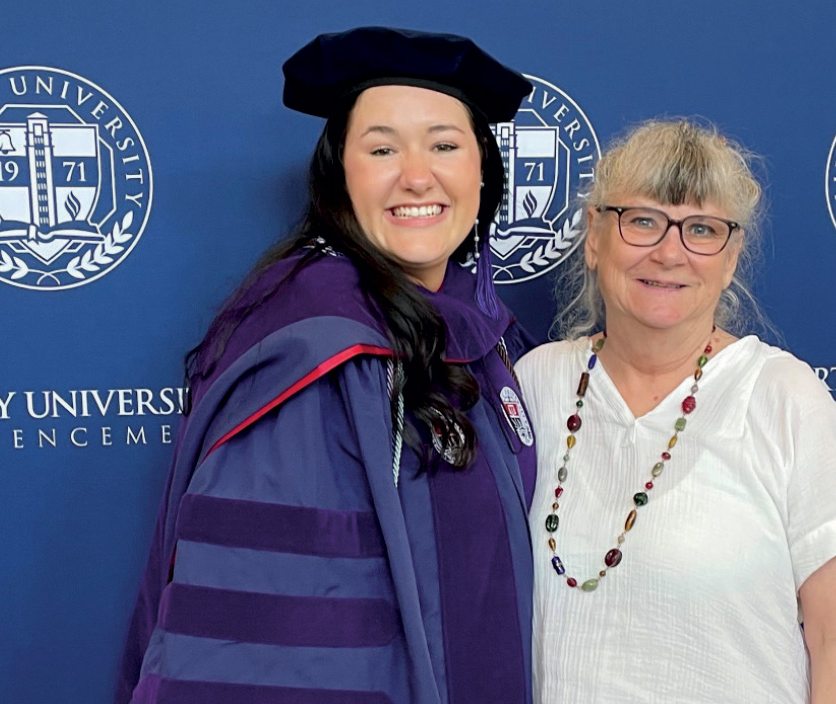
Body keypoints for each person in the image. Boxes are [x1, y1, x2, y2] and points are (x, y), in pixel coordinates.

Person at [116, 27, 537, 704]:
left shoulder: (488, 336)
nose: (417, 174)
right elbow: (283, 640)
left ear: (481, 168)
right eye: (381, 149)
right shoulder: (317, 355)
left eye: (444, 144)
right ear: (340, 173)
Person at [515, 119, 836, 704]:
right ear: (594, 236)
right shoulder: (537, 383)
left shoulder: (783, 396)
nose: (669, 253)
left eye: (702, 229)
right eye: (642, 221)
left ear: (731, 256)